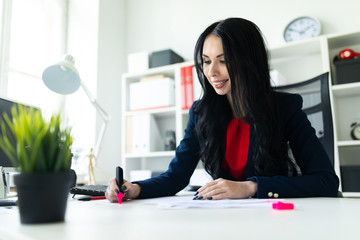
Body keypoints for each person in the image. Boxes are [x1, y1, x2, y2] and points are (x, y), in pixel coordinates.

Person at [106, 17, 339, 202]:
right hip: (224, 219)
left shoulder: (285, 108)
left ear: (249, 62)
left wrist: (250, 187)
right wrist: (134, 189)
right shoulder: (201, 113)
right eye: (206, 61)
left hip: (273, 219)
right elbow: (176, 177)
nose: (212, 72)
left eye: (224, 60)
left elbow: (325, 181)